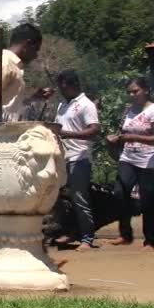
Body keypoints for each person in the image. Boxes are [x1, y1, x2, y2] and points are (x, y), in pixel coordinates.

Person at [0, 23, 53, 265]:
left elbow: (8, 105)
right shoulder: (5, 64)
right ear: (28, 43)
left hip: (10, 138)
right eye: (36, 49)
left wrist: (32, 98)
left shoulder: (13, 67)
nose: (36, 56)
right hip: (2, 142)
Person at [107, 77, 154, 251]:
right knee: (120, 192)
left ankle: (150, 241)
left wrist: (133, 137)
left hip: (149, 162)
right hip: (128, 158)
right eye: (130, 92)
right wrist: (115, 139)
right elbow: (124, 132)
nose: (132, 95)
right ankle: (125, 233)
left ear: (146, 90)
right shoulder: (129, 110)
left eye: (136, 91)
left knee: (147, 200)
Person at [54, 70, 100, 251]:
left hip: (79, 157)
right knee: (62, 198)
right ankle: (71, 231)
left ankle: (87, 237)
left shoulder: (86, 105)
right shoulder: (62, 105)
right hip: (62, 157)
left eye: (63, 86)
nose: (61, 90)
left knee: (80, 198)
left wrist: (68, 134)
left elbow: (94, 130)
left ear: (71, 85)